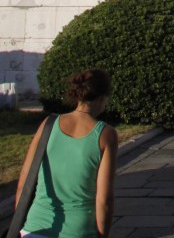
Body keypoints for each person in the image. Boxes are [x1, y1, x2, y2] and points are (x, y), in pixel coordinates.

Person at [17, 69, 118, 238]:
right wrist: (103, 234)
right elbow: (104, 199)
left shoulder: (48, 124)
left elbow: (24, 182)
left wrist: (22, 222)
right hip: (80, 230)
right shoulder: (106, 135)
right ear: (102, 97)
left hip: (35, 228)